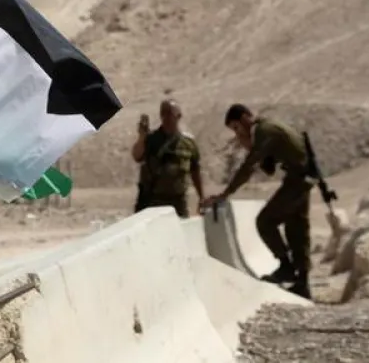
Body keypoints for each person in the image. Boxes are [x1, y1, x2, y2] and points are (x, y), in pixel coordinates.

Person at [201, 104, 312, 300]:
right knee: (296, 229)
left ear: (245, 118)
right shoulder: (266, 128)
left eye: (236, 127)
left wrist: (225, 193)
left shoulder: (263, 130)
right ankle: (302, 283)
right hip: (302, 178)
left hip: (297, 180)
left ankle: (286, 267)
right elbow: (268, 168)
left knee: (265, 221)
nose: (238, 133)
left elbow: (249, 166)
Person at [130, 99, 205, 218]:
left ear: (179, 116)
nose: (166, 117)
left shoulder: (188, 143)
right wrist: (141, 137)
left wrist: (201, 197)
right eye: (163, 113)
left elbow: (195, 171)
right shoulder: (151, 139)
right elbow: (137, 156)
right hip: (152, 201)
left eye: (169, 113)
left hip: (178, 202)